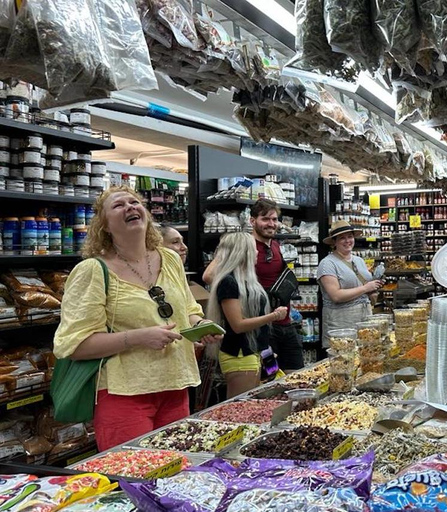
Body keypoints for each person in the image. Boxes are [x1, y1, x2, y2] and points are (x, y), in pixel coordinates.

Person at [53, 186, 221, 451]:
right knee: (133, 479)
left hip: (176, 385)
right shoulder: (93, 271)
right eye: (118, 206)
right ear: (104, 226)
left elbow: (188, 310)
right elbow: (74, 345)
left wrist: (199, 326)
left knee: (178, 474)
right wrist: (138, 338)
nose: (130, 207)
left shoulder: (170, 259)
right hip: (124, 394)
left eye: (134, 202)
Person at [203, 199, 304, 371]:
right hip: (261, 328)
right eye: (265, 219)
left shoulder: (275, 245)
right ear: (252, 221)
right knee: (268, 380)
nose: (271, 224)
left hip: (284, 322)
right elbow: (209, 275)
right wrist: (244, 292)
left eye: (274, 219)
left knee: (297, 375)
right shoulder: (243, 246)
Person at [206, 233, 288, 398]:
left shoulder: (248, 280)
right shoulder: (228, 282)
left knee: (258, 401)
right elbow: (238, 325)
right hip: (240, 353)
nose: (257, 252)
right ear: (243, 252)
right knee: (239, 408)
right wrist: (273, 316)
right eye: (253, 249)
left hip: (259, 350)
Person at [317, 220, 383, 347]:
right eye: (342, 238)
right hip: (341, 324)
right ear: (334, 242)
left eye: (350, 236)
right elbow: (336, 296)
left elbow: (363, 285)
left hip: (363, 319)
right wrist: (365, 288)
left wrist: (373, 288)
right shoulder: (327, 264)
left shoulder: (359, 260)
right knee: (343, 360)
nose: (348, 241)